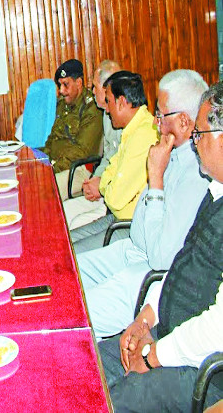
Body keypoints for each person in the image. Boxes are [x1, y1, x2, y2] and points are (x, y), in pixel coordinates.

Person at [97, 81, 223, 411]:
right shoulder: (215, 192)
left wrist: (153, 356)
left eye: (200, 134)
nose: (195, 143)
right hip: (167, 336)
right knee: (86, 365)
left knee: (106, 402)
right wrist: (145, 319)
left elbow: (217, 329)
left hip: (204, 373)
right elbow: (180, 265)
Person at [76, 70, 210, 338]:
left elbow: (161, 258)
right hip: (134, 251)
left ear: (184, 121)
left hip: (152, 276)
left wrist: (155, 177)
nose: (156, 123)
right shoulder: (170, 152)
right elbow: (139, 230)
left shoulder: (197, 172)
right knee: (68, 271)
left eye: (160, 115)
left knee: (74, 312)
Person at [71, 71, 159, 253]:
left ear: (121, 102)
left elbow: (114, 199)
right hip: (116, 218)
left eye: (109, 102)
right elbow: (111, 168)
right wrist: (107, 184)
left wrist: (103, 186)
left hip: (131, 226)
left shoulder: (143, 134)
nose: (107, 109)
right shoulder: (132, 128)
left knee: (73, 254)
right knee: (66, 240)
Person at [58, 60, 122, 223]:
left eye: (95, 87)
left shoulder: (122, 118)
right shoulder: (107, 114)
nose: (92, 91)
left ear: (107, 89)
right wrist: (96, 178)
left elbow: (122, 167)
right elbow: (108, 157)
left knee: (70, 220)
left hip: (115, 196)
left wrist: (100, 184)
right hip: (103, 184)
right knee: (63, 212)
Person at [41, 59, 103, 173]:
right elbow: (52, 138)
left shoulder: (91, 108)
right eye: (60, 85)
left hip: (76, 169)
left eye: (65, 84)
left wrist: (52, 170)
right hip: (56, 165)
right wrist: (41, 161)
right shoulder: (62, 105)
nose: (61, 90)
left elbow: (81, 151)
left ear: (78, 83)